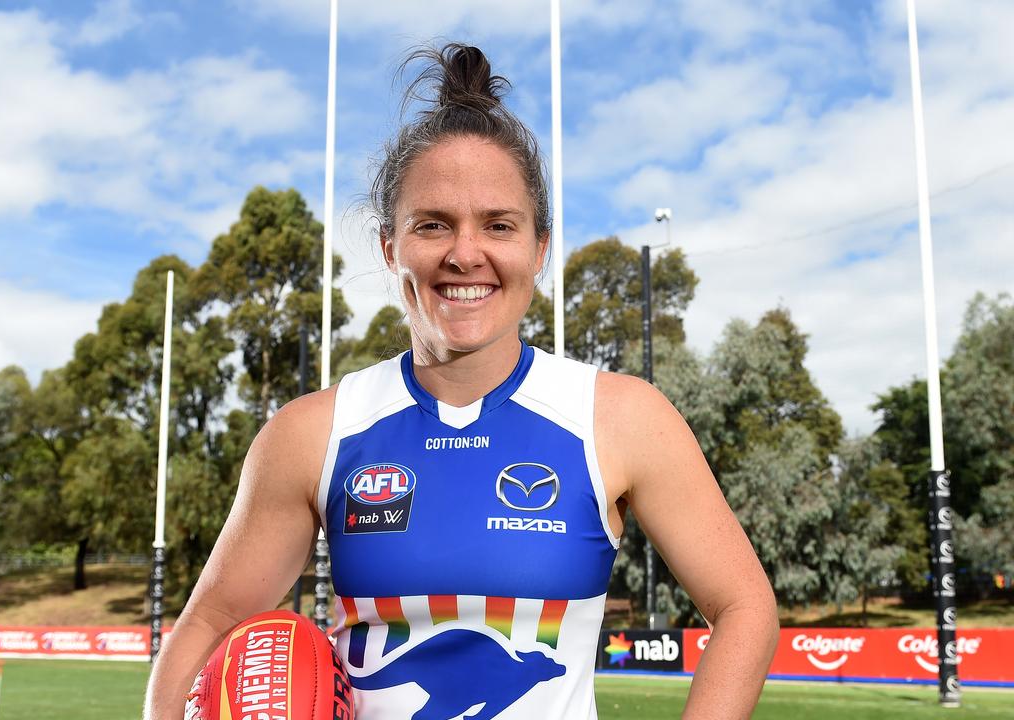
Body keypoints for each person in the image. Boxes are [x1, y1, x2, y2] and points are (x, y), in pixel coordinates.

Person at [145, 43, 777, 719]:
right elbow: (211, 622)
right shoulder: (312, 434)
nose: (465, 254)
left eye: (498, 226)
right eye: (434, 225)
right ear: (391, 246)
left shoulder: (619, 418)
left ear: (538, 247)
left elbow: (745, 608)